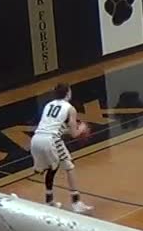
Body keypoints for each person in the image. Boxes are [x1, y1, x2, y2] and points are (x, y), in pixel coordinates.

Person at [29, 83, 94, 214]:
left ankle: (49, 201)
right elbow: (74, 134)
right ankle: (76, 203)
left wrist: (65, 130)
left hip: (36, 138)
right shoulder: (70, 109)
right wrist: (82, 128)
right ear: (68, 93)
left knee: (52, 169)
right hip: (51, 140)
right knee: (69, 167)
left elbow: (51, 126)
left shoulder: (49, 105)